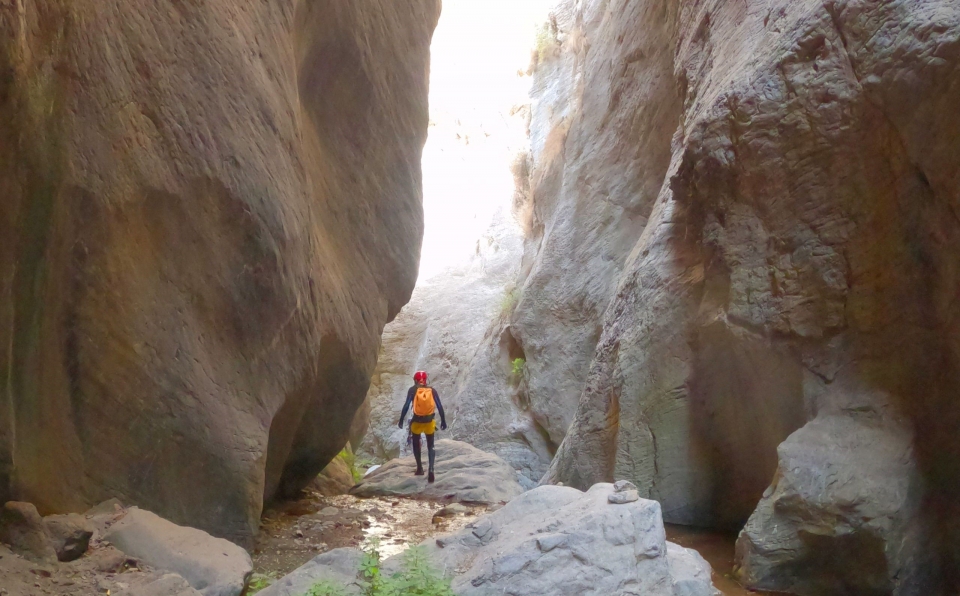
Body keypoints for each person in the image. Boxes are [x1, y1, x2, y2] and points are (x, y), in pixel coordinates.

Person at [398, 370, 447, 483]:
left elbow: (406, 405)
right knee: (431, 445)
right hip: (429, 422)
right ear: (425, 380)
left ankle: (420, 468)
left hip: (417, 422)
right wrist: (443, 420)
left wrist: (401, 419)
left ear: (415, 380)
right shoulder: (432, 390)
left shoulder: (412, 390)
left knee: (416, 443)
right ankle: (431, 469)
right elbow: (439, 406)